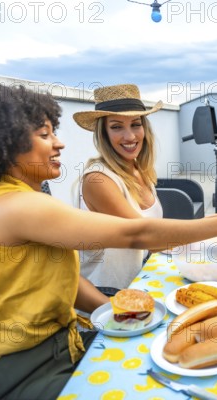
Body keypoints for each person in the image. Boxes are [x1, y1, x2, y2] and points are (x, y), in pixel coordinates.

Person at [0, 85, 217, 399]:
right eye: (45, 135)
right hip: (7, 370)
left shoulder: (19, 199)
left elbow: (65, 281)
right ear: (6, 145)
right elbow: (136, 234)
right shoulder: (15, 206)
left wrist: (120, 314)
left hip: (58, 345)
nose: (59, 143)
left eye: (53, 133)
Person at [73, 84, 163, 289]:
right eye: (116, 127)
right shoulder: (98, 179)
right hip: (106, 298)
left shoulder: (139, 169)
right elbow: (146, 236)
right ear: (103, 133)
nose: (130, 136)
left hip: (141, 282)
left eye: (135, 124)